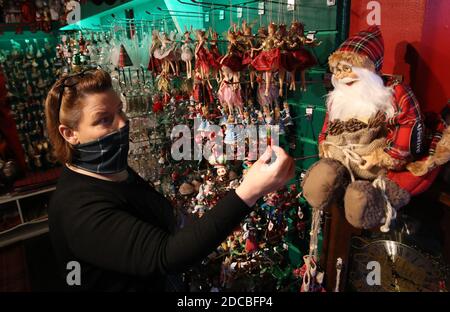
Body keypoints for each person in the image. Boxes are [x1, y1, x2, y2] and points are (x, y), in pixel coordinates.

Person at [45, 69, 294, 291]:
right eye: (104, 119)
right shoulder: (78, 209)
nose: (122, 123)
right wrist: (248, 191)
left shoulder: (109, 171)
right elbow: (165, 255)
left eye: (119, 109)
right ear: (70, 134)